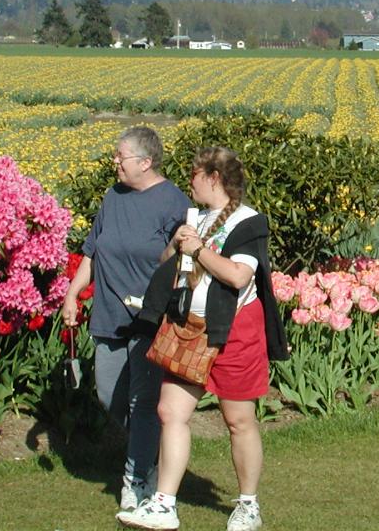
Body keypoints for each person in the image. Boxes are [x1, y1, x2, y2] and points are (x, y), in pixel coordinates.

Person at [119, 146, 288, 531]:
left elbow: (238, 277)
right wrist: (176, 244)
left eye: (194, 174)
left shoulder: (249, 222)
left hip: (232, 331)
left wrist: (199, 248)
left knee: (238, 420)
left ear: (213, 177)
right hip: (187, 328)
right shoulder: (193, 217)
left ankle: (248, 505)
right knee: (170, 412)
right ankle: (164, 504)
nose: (189, 181)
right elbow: (170, 267)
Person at [62, 127, 189, 512]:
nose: (115, 162)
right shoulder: (112, 197)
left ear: (145, 162)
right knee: (108, 395)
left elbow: (185, 260)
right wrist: (72, 294)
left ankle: (136, 479)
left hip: (150, 319)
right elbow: (92, 253)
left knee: (143, 401)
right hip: (109, 315)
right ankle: (153, 453)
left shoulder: (173, 202)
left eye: (121, 156)